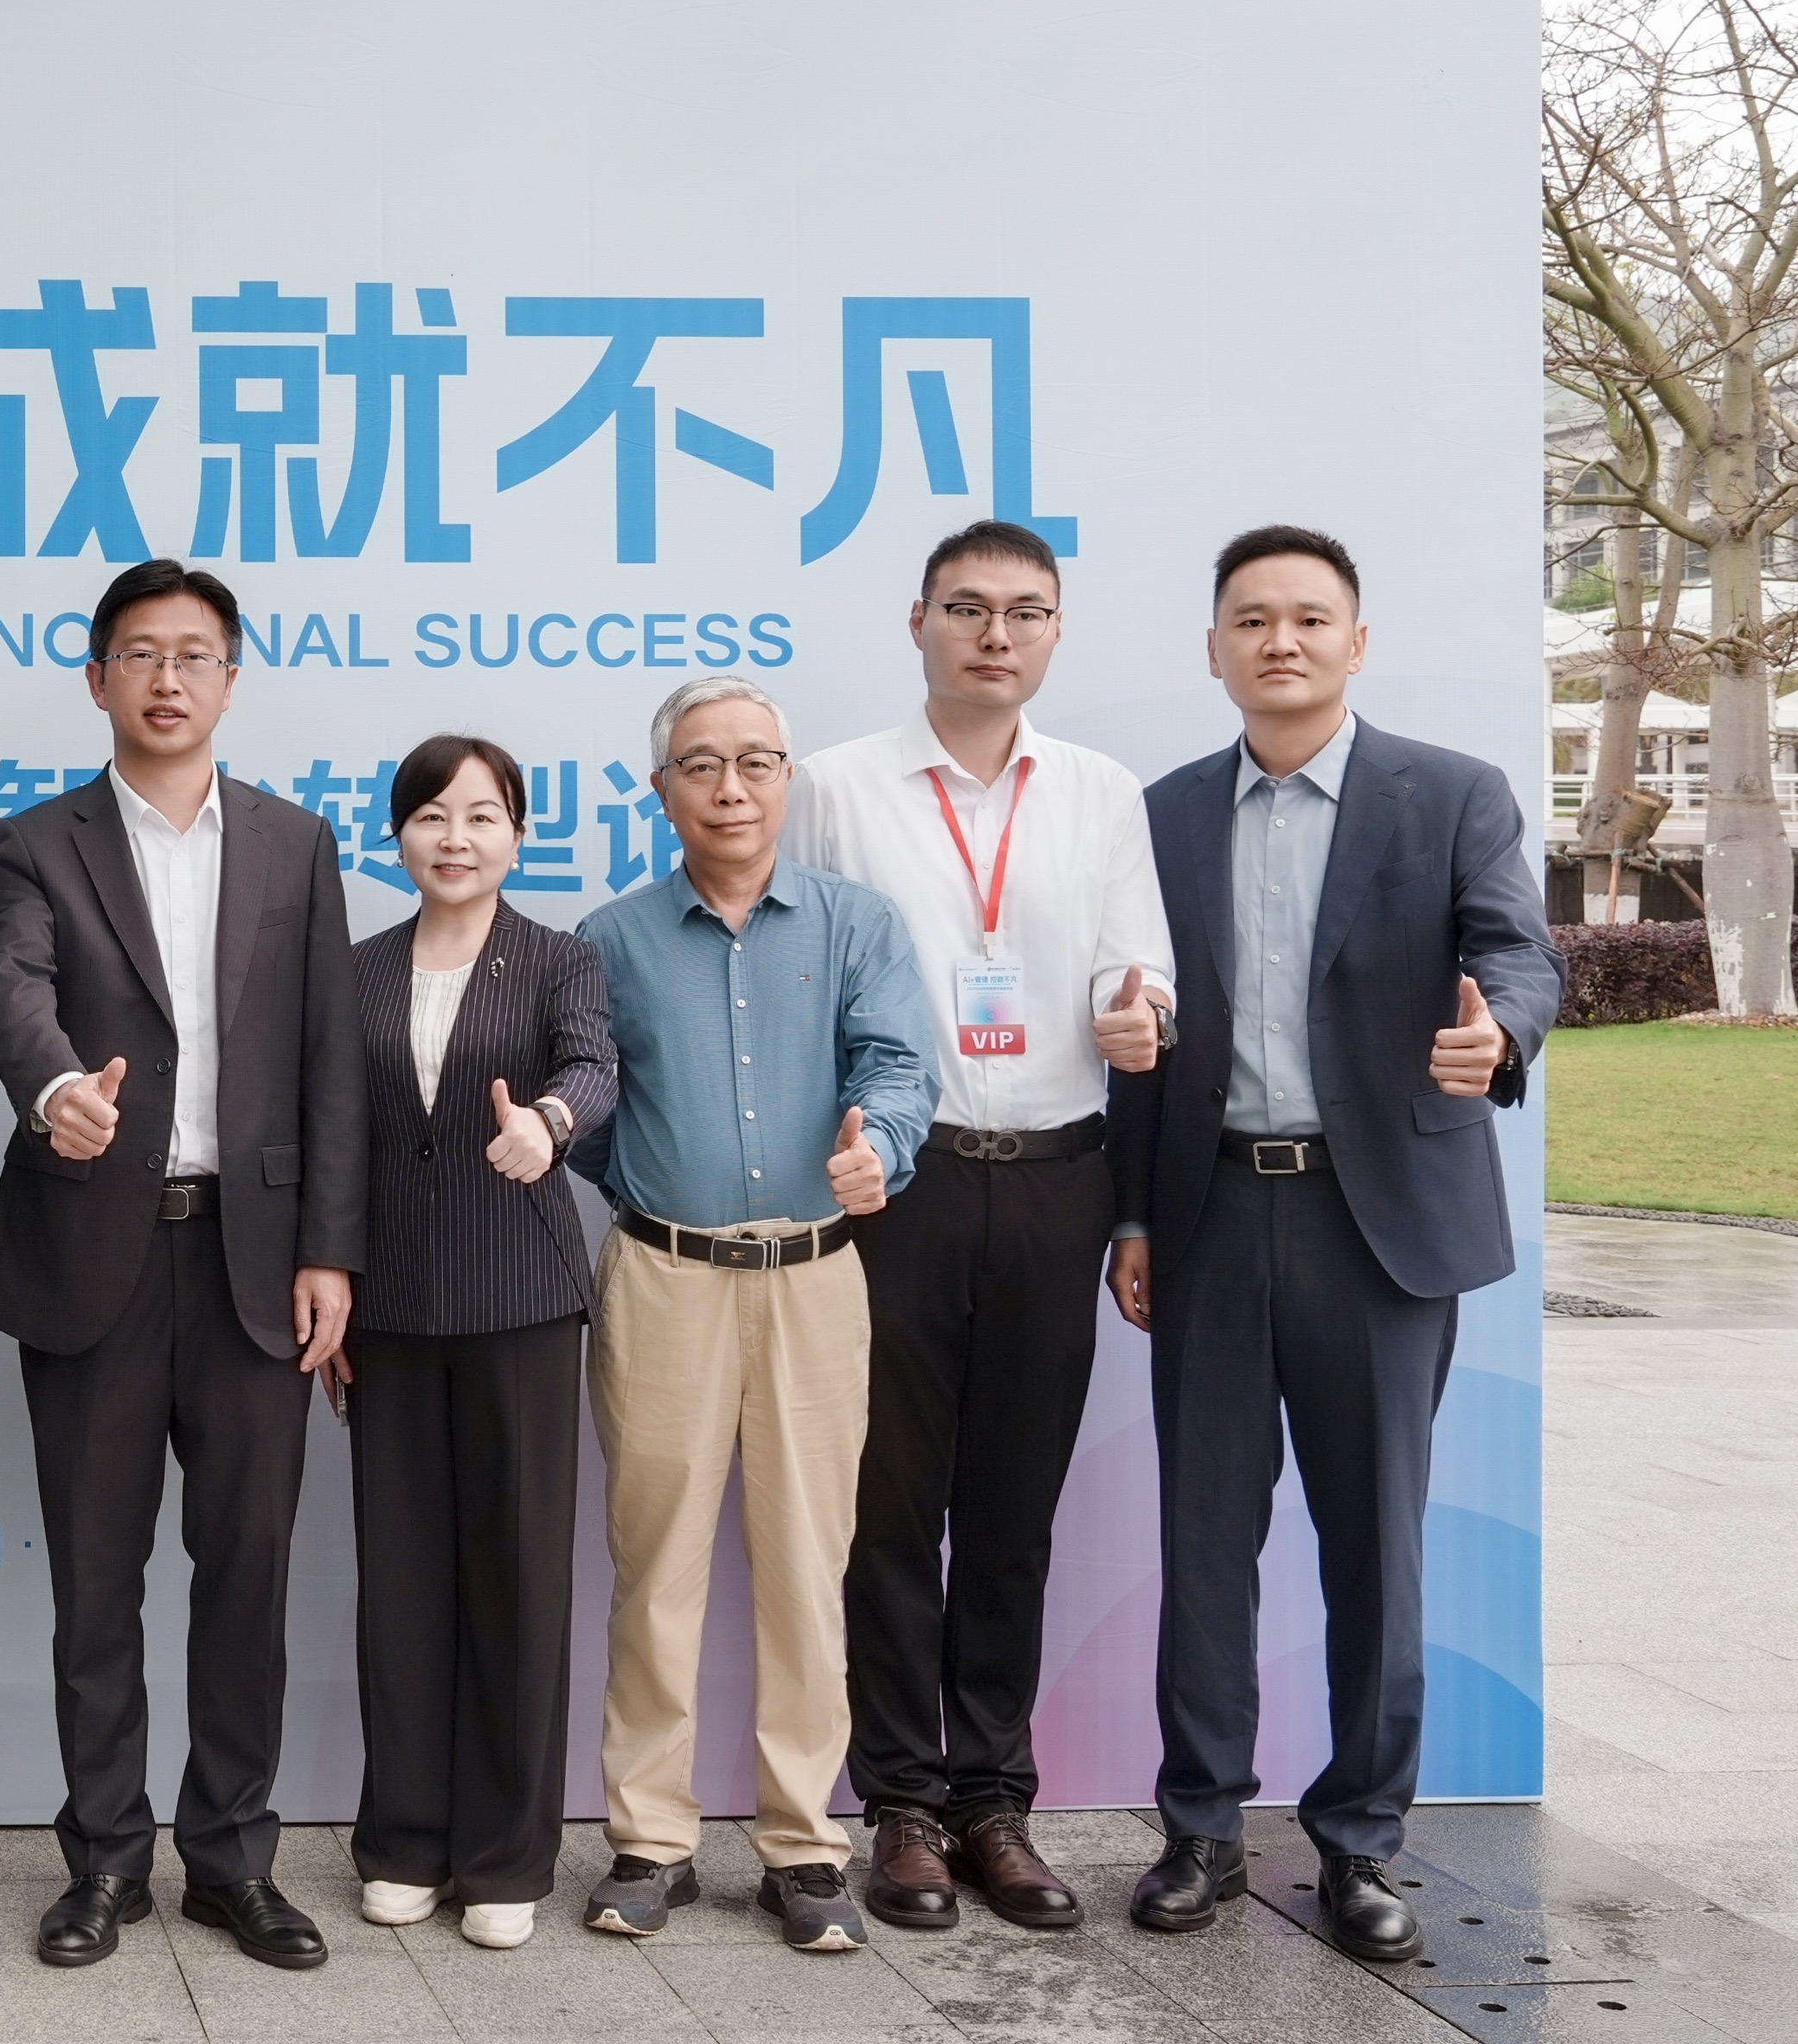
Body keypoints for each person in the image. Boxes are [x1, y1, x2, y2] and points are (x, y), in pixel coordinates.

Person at [1108, 525, 1562, 1963]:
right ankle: (1200, 1828)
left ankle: (1362, 1842)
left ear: (1357, 643)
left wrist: (1501, 1033)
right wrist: (1133, 1211)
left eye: (1311, 618)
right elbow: (1137, 1026)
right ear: (1215, 649)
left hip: (1382, 1227)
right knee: (1204, 1539)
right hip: (1210, 1214)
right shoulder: (1162, 815)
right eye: (1253, 619)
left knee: (1377, 1545)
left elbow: (1519, 952)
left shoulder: (1452, 793)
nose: (1282, 641)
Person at [0, 556, 362, 1973]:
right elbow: (7, 981)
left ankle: (234, 1860)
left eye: (195, 655)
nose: (169, 678)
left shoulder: (295, 844)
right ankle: (104, 1861)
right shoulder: (36, 841)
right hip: (97, 1258)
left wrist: (331, 1251)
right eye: (141, 654)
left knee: (247, 1574)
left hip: (258, 1263)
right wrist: (54, 1088)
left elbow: (329, 1057)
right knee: (97, 1579)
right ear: (98, 678)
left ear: (231, 679)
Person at [786, 523, 1177, 1934]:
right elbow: (797, 968)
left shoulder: (1100, 792)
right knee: (889, 1505)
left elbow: (1144, 978)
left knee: (1012, 1509)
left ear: (1056, 631)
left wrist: (1143, 1020)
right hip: (902, 1182)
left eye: (1024, 611)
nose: (995, 634)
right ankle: (900, 1801)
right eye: (967, 608)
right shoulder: (835, 788)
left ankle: (993, 1800)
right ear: (919, 622)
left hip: (1059, 1176)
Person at [569, 672, 941, 1957]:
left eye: (756, 762)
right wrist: (648, 1183)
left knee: (805, 1567)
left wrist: (882, 1147)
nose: (731, 787)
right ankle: (651, 1839)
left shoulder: (855, 922)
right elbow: (588, 1101)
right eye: (702, 765)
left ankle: (802, 1843)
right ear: (660, 789)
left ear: (788, 779)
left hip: (815, 1274)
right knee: (656, 1564)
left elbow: (898, 1063)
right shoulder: (609, 940)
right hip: (662, 1276)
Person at [339, 736, 618, 1956]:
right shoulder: (353, 970)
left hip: (520, 1301)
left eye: (484, 815)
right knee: (400, 1580)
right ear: (397, 834)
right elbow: (330, 1134)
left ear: (517, 835)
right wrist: (331, 1283)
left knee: (517, 1576)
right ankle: (404, 1839)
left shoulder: (560, 959)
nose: (457, 838)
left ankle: (506, 1855)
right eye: (433, 816)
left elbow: (595, 1068)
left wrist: (547, 1124)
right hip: (392, 1307)